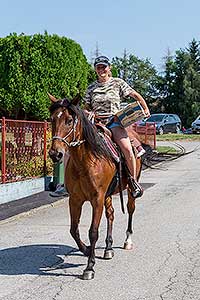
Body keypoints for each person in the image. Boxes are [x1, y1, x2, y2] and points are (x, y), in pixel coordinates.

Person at [83, 55, 150, 198]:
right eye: (98, 67)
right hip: (96, 124)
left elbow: (135, 95)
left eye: (103, 66)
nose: (101, 69)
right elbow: (86, 107)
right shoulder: (91, 88)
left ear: (109, 68)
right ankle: (67, 184)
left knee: (127, 148)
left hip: (114, 122)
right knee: (75, 146)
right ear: (95, 69)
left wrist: (145, 108)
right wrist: (88, 113)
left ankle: (133, 182)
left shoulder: (118, 83)